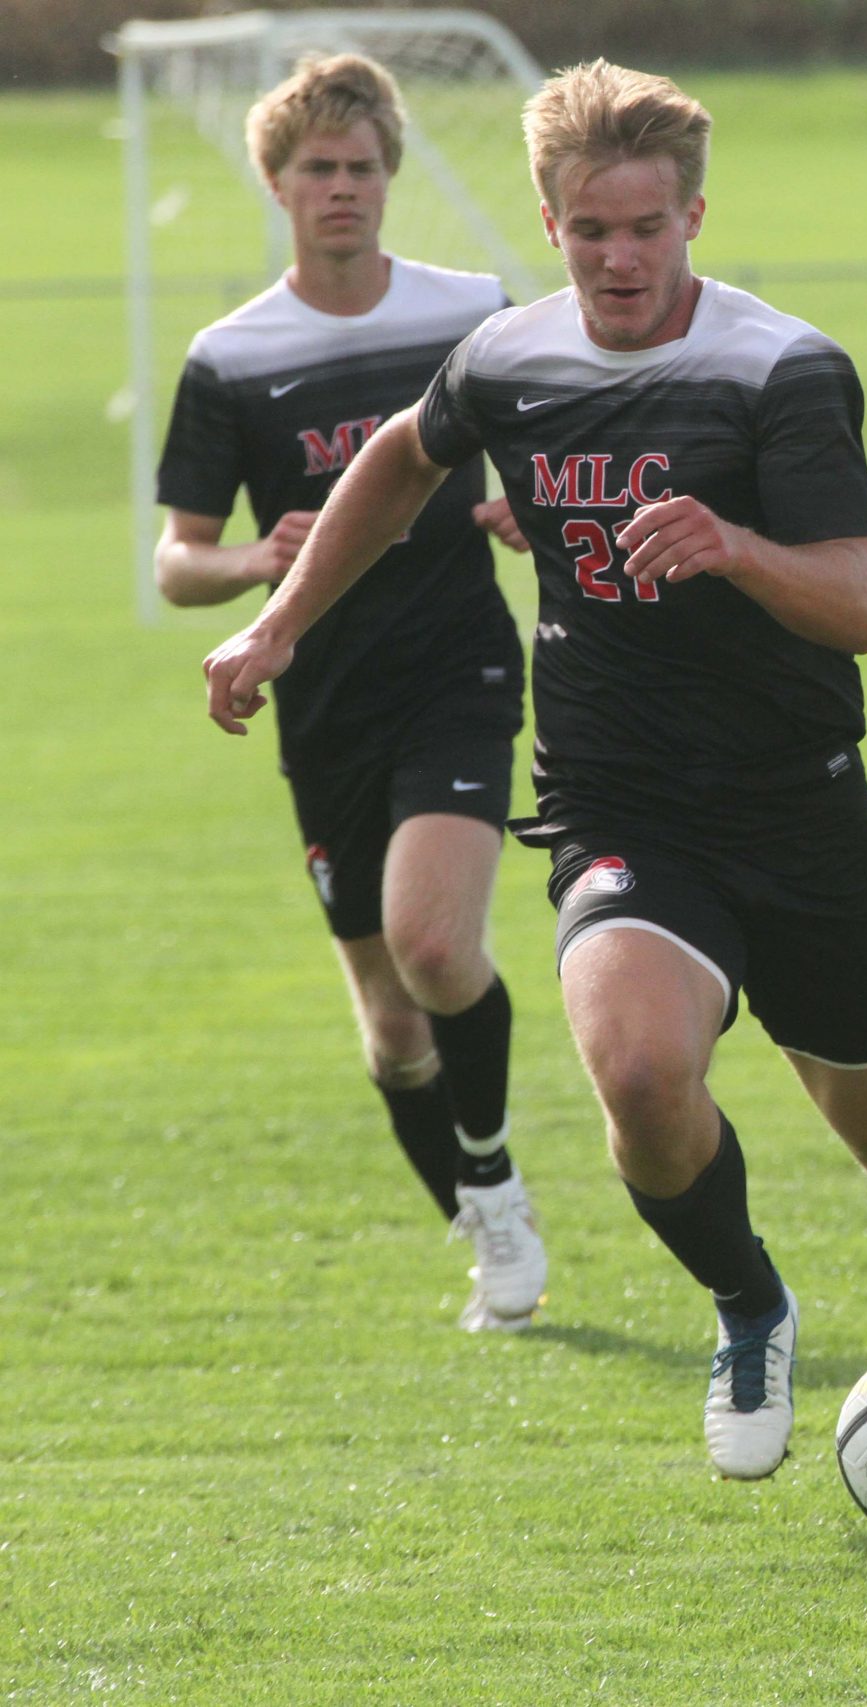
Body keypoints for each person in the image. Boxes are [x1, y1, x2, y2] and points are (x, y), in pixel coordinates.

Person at [205, 60, 867, 1482]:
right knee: (641, 1076)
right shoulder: (509, 359)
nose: (619, 256)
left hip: (797, 801)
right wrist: (276, 622)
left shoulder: (782, 370)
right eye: (590, 229)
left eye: (646, 227)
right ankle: (749, 1303)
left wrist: (737, 548)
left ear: (694, 213)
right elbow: (401, 462)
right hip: (618, 801)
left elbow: (862, 603)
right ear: (550, 213)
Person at [158, 53, 543, 1333]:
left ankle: (492, 1180)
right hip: (320, 698)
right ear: (276, 182)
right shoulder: (231, 355)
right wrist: (249, 564)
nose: (342, 189)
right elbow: (177, 561)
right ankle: (482, 1224)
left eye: (363, 167)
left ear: (392, 177)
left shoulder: (469, 312)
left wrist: (525, 505)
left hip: (460, 668)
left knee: (438, 944)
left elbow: (556, 449)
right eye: (317, 169)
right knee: (389, 1029)